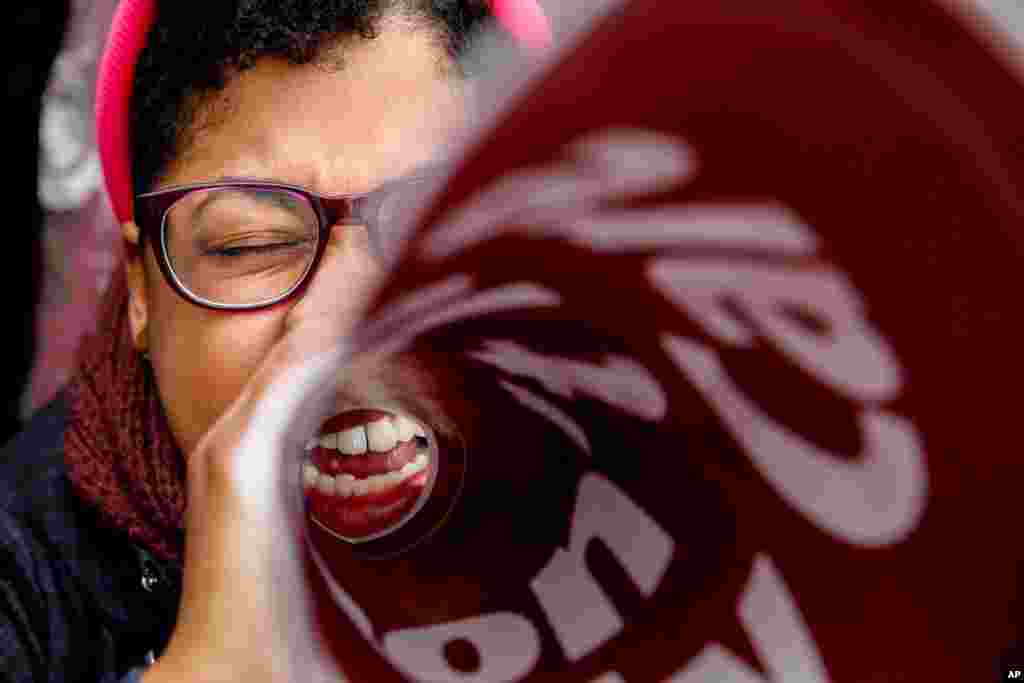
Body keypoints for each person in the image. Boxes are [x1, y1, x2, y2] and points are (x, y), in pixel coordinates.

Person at [0, 1, 549, 681]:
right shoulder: (22, 579)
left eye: (427, 221)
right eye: (254, 244)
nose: (341, 326)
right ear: (141, 291)